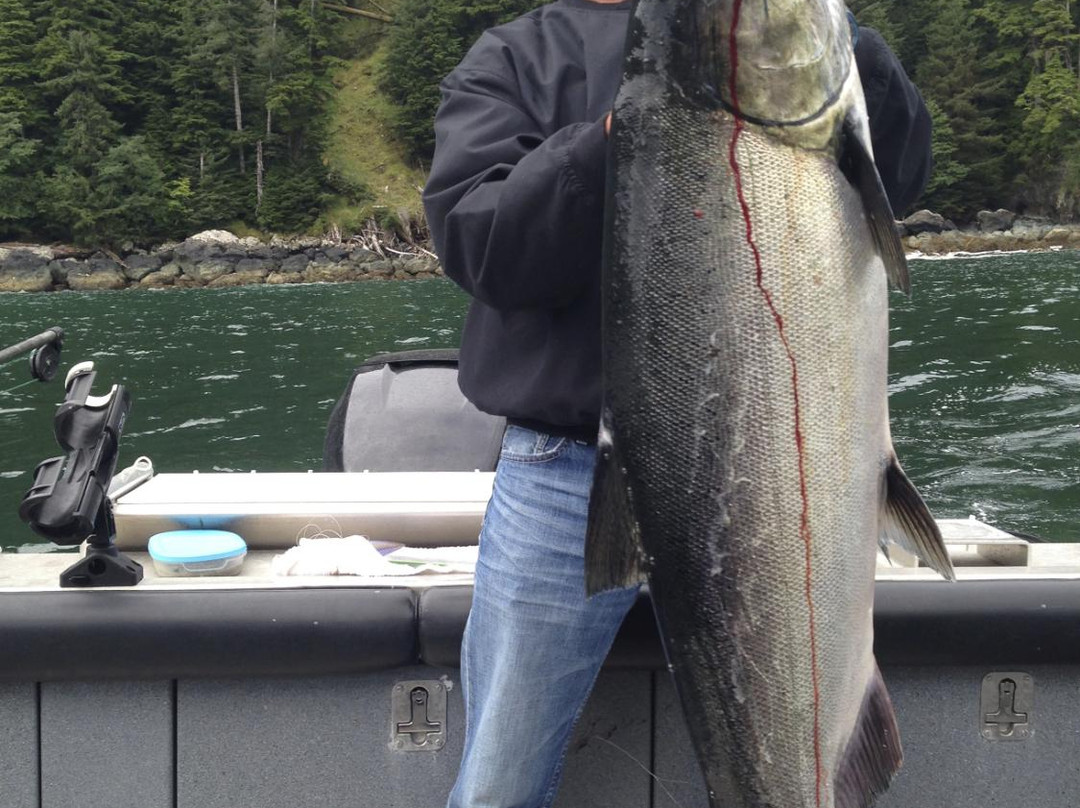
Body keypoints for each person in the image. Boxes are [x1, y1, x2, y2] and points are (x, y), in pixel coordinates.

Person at [422, 2, 933, 806]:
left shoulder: (806, 58)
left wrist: (843, 48)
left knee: (814, 726)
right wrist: (626, 137)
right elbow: (481, 244)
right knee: (497, 781)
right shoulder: (512, 59)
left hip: (764, 464)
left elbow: (900, 171)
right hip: (566, 480)